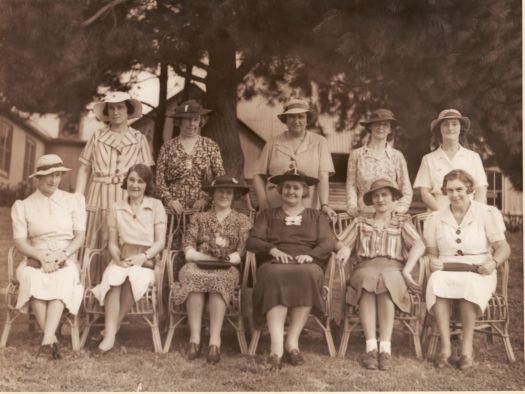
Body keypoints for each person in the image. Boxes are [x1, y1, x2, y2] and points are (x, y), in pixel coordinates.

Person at [247, 168, 336, 370]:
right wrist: (271, 249)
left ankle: (292, 342)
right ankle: (276, 348)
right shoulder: (268, 215)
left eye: (296, 187)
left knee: (309, 274)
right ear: (280, 190)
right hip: (275, 264)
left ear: (305, 191)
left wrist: (311, 256)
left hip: (306, 264)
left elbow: (328, 242)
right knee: (273, 275)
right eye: (287, 187)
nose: (291, 191)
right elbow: (253, 240)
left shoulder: (316, 216)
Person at [424, 169, 510, 370]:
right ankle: (445, 348)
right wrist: (433, 260)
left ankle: (466, 349)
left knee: (469, 284)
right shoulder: (436, 217)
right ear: (445, 192)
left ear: (469, 189)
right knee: (437, 282)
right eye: (450, 190)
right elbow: (431, 251)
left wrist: (493, 263)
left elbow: (503, 247)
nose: (455, 195)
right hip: (446, 268)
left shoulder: (486, 213)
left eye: (459, 189)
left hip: (479, 269)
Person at [336, 178, 425, 370]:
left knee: (387, 280)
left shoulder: (401, 222)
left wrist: (408, 268)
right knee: (369, 279)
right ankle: (371, 349)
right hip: (365, 267)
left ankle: (385, 349)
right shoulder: (361, 222)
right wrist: (342, 248)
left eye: (385, 195)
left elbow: (419, 244)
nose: (380, 199)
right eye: (376, 195)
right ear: (371, 200)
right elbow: (340, 242)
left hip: (394, 269)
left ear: (393, 199)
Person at [11, 154, 86, 359]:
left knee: (63, 277)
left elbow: (79, 236)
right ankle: (50, 340)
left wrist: (62, 256)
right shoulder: (24, 205)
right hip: (35, 257)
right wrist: (41, 257)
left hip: (66, 256)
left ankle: (46, 340)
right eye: (48, 176)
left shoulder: (72, 201)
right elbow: (20, 241)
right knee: (32, 277)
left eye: (57, 175)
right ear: (38, 178)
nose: (53, 180)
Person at [172, 175, 252, 364]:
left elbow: (239, 253)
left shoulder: (242, 220)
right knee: (191, 275)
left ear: (234, 196)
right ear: (212, 194)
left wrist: (223, 259)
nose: (224, 195)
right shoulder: (199, 218)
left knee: (220, 279)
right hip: (197, 263)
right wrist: (207, 257)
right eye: (220, 191)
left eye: (229, 192)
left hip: (227, 268)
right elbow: (189, 249)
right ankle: (195, 339)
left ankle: (215, 341)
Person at [91, 164, 167, 354]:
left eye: (140, 181)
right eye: (132, 180)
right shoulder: (116, 207)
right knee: (114, 277)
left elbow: (160, 242)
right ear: (126, 181)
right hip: (123, 257)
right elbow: (113, 243)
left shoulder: (156, 206)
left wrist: (144, 257)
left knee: (135, 277)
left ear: (146, 184)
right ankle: (109, 337)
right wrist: (116, 257)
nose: (135, 185)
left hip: (147, 261)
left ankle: (111, 329)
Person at [75, 91, 154, 254]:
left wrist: (143, 202)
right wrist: (77, 198)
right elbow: (84, 168)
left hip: (127, 196)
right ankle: (91, 278)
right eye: (111, 108)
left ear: (128, 110)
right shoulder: (97, 136)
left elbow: (145, 174)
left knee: (124, 239)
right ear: (106, 112)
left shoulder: (139, 139)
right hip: (98, 195)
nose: (116, 112)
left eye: (120, 108)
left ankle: (119, 277)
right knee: (94, 239)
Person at [252, 98, 337, 220]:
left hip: (307, 206)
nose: (296, 121)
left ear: (307, 119)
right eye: (291, 117)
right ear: (285, 120)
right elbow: (258, 175)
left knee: (304, 237)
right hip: (275, 205)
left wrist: (324, 205)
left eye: (300, 117)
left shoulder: (319, 142)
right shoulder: (273, 142)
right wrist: (263, 202)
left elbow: (323, 176)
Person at [156, 99, 225, 215]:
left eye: (195, 119)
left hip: (203, 210)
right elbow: (159, 179)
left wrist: (206, 199)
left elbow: (220, 176)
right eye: (188, 119)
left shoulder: (210, 146)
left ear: (200, 122)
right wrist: (169, 201)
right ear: (180, 121)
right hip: (174, 211)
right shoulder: (167, 147)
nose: (192, 124)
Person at [413, 109, 488, 211]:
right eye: (445, 124)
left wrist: (474, 214)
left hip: (469, 214)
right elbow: (425, 192)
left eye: (454, 124)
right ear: (439, 129)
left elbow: (481, 189)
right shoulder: (429, 159)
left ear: (460, 128)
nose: (450, 128)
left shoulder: (473, 157)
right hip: (438, 213)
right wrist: (443, 214)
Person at [346, 108, 412, 216]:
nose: (381, 127)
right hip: (363, 213)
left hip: (391, 215)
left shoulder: (397, 156)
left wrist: (400, 208)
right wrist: (352, 207)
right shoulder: (357, 155)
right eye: (377, 124)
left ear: (390, 129)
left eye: (385, 124)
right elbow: (351, 185)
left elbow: (405, 187)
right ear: (370, 127)